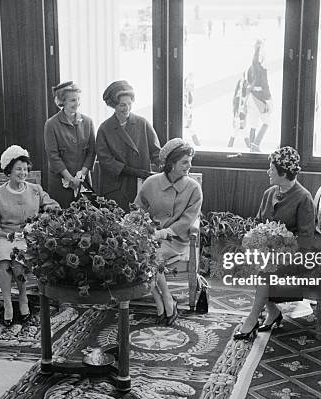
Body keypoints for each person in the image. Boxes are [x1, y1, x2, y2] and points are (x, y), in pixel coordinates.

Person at [233, 146, 316, 341]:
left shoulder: (304, 198)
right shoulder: (269, 193)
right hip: (269, 254)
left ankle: (252, 319)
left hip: (295, 256)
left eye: (272, 168)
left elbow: (306, 239)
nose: (268, 171)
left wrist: (280, 251)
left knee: (264, 272)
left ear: (284, 173)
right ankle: (272, 312)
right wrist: (254, 243)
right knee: (248, 263)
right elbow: (258, 224)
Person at [0, 145, 59, 326]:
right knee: (4, 259)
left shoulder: (35, 189)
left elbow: (53, 206)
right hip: (3, 236)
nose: (23, 172)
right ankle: (8, 303)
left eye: (26, 169)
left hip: (28, 236)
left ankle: (24, 299)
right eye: (18, 169)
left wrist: (45, 214)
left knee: (18, 258)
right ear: (9, 171)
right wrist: (4, 235)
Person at [134, 138, 203, 326]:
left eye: (190, 161)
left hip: (176, 239)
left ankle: (163, 300)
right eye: (184, 162)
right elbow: (137, 210)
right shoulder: (151, 183)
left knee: (150, 255)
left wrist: (164, 233)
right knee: (143, 253)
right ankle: (164, 299)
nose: (189, 166)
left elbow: (188, 220)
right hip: (149, 236)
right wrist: (145, 229)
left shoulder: (193, 189)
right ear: (171, 163)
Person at [96, 80, 160, 211]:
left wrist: (166, 167)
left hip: (140, 183)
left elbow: (156, 152)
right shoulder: (105, 128)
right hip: (116, 186)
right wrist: (132, 171)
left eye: (129, 104)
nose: (127, 108)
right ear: (114, 105)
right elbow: (105, 160)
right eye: (122, 105)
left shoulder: (142, 123)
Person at [43, 81, 96, 208]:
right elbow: (53, 155)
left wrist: (82, 174)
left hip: (83, 180)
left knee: (86, 217)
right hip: (60, 181)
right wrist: (70, 179)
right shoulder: (51, 124)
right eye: (72, 100)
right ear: (62, 101)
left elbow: (92, 151)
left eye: (78, 99)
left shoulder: (88, 122)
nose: (77, 103)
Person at [245, 39, 272, 152]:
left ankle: (252, 147)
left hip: (252, 98)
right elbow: (265, 85)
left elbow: (248, 83)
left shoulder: (251, 68)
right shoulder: (260, 69)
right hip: (259, 98)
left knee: (253, 124)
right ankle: (255, 145)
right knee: (266, 122)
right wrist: (267, 99)